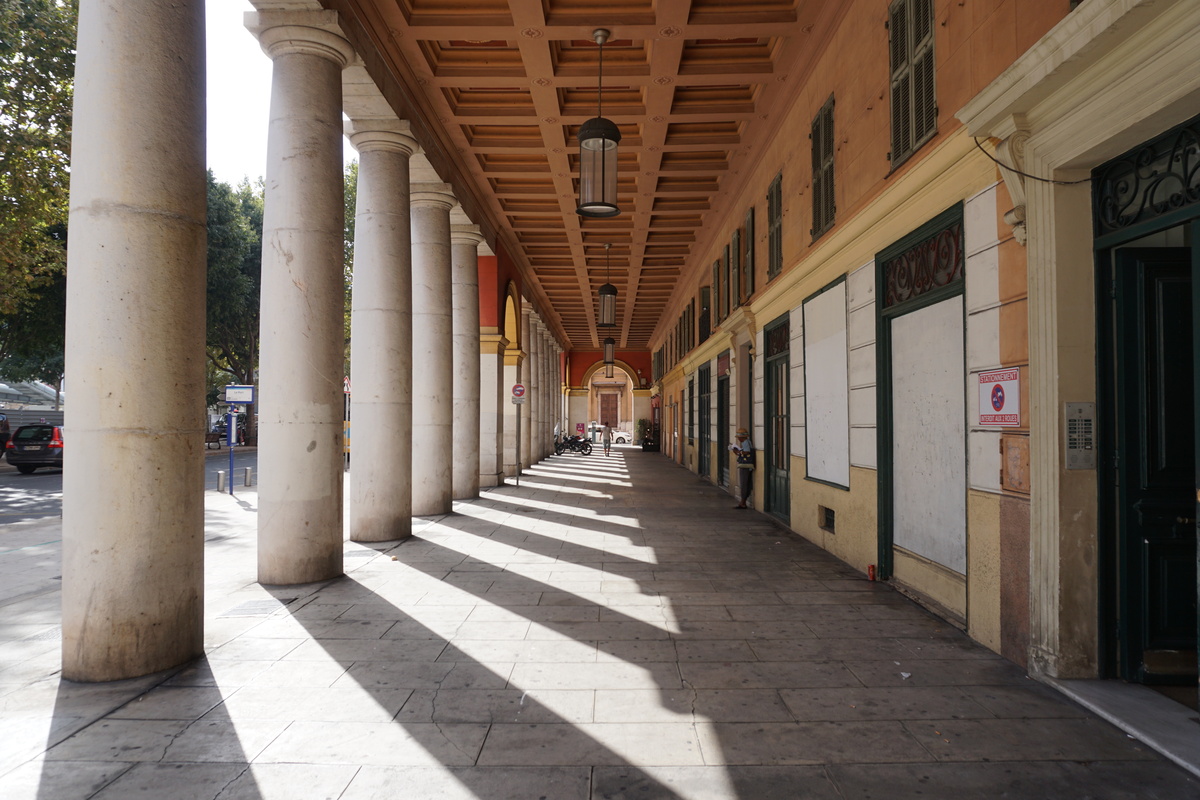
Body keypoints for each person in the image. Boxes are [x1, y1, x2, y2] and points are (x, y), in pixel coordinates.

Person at [729, 427, 754, 508]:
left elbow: (747, 452)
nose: (738, 439)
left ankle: (743, 502)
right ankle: (742, 502)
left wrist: (738, 451)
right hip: (747, 465)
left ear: (742, 437)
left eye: (739, 437)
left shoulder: (746, 442)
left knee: (744, 483)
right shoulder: (747, 442)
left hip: (745, 466)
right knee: (745, 483)